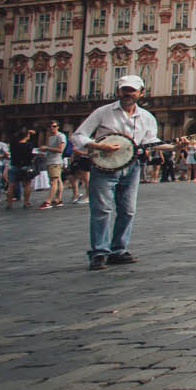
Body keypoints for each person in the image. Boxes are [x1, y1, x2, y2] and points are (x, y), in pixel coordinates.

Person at [73, 74, 172, 270]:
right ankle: (99, 252)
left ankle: (118, 249)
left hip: (131, 166)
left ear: (141, 93)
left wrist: (174, 147)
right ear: (118, 91)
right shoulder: (103, 112)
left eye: (132, 90)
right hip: (104, 166)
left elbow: (150, 142)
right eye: (124, 90)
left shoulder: (146, 117)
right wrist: (98, 146)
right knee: (102, 210)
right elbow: (78, 136)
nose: (128, 94)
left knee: (127, 210)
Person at [35, 120, 67, 208]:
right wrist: (44, 150)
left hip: (55, 161)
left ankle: (47, 201)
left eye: (54, 126)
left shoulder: (61, 136)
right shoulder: (50, 137)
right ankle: (58, 199)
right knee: (58, 181)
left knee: (53, 182)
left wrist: (47, 147)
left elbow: (60, 149)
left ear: (58, 127)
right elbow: (51, 149)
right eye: (50, 127)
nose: (52, 128)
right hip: (50, 160)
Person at [5, 126, 37, 209]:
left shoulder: (13, 144)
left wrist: (25, 131)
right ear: (27, 136)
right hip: (25, 166)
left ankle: (9, 204)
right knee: (27, 185)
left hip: (14, 165)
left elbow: (14, 137)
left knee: (11, 185)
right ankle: (26, 203)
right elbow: (31, 156)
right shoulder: (28, 145)